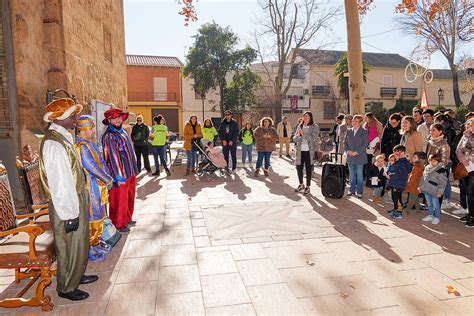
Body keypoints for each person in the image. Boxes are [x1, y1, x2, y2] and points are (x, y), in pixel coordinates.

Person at [39, 98, 97, 301]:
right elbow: (60, 182)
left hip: (76, 197)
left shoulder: (64, 137)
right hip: (67, 202)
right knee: (69, 245)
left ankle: (77, 275)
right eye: (72, 115)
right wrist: (69, 214)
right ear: (59, 118)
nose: (76, 119)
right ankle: (66, 286)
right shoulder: (53, 143)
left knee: (79, 242)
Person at [75, 115, 114, 261]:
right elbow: (91, 166)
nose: (93, 131)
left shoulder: (88, 143)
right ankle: (91, 247)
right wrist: (107, 178)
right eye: (91, 128)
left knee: (100, 214)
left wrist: (107, 175)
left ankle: (96, 242)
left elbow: (101, 162)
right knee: (94, 216)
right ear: (83, 130)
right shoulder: (82, 146)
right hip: (90, 186)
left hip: (97, 184)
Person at [102, 108, 138, 233]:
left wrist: (134, 169)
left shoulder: (123, 132)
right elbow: (112, 156)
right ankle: (119, 223)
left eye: (119, 117)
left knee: (129, 197)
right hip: (120, 175)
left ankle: (127, 218)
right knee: (119, 200)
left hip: (130, 171)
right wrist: (118, 175)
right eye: (114, 118)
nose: (117, 120)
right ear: (109, 120)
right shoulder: (109, 136)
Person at [293, 111, 319, 195]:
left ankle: (308, 186)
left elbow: (313, 138)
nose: (305, 118)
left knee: (308, 169)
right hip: (300, 151)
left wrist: (303, 134)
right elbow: (294, 139)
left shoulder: (314, 126)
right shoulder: (300, 126)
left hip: (309, 151)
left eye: (307, 116)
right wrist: (299, 135)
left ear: (310, 117)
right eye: (304, 116)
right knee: (299, 168)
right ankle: (301, 185)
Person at [344, 115, 369, 198]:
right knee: (351, 175)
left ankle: (359, 191)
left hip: (360, 156)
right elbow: (345, 143)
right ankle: (351, 190)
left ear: (360, 122)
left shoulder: (364, 131)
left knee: (359, 175)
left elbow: (365, 144)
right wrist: (348, 151)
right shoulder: (348, 131)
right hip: (350, 156)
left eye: (356, 121)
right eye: (353, 121)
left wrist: (357, 152)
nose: (354, 122)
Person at [419, 154, 448, 224]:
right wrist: (420, 186)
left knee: (436, 205)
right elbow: (423, 178)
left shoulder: (441, 170)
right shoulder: (427, 168)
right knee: (429, 204)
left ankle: (437, 217)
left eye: (434, 161)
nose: (432, 163)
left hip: (435, 191)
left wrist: (440, 192)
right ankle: (430, 215)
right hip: (426, 189)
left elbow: (443, 183)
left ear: (438, 161)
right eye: (430, 161)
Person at [456, 117, 474, 227]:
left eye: (471, 125)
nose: (468, 127)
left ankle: (472, 216)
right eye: (467, 125)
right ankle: (470, 213)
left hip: (473, 166)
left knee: (472, 192)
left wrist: (467, 156)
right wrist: (462, 158)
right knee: (468, 192)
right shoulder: (466, 135)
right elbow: (458, 149)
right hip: (466, 167)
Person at [386, 145, 412, 219]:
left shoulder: (403, 163)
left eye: (397, 153)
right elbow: (393, 169)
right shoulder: (397, 161)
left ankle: (399, 212)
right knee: (394, 197)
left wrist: (390, 175)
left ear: (403, 153)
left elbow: (400, 173)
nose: (395, 154)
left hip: (398, 184)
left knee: (397, 198)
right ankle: (395, 209)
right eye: (394, 153)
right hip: (395, 183)